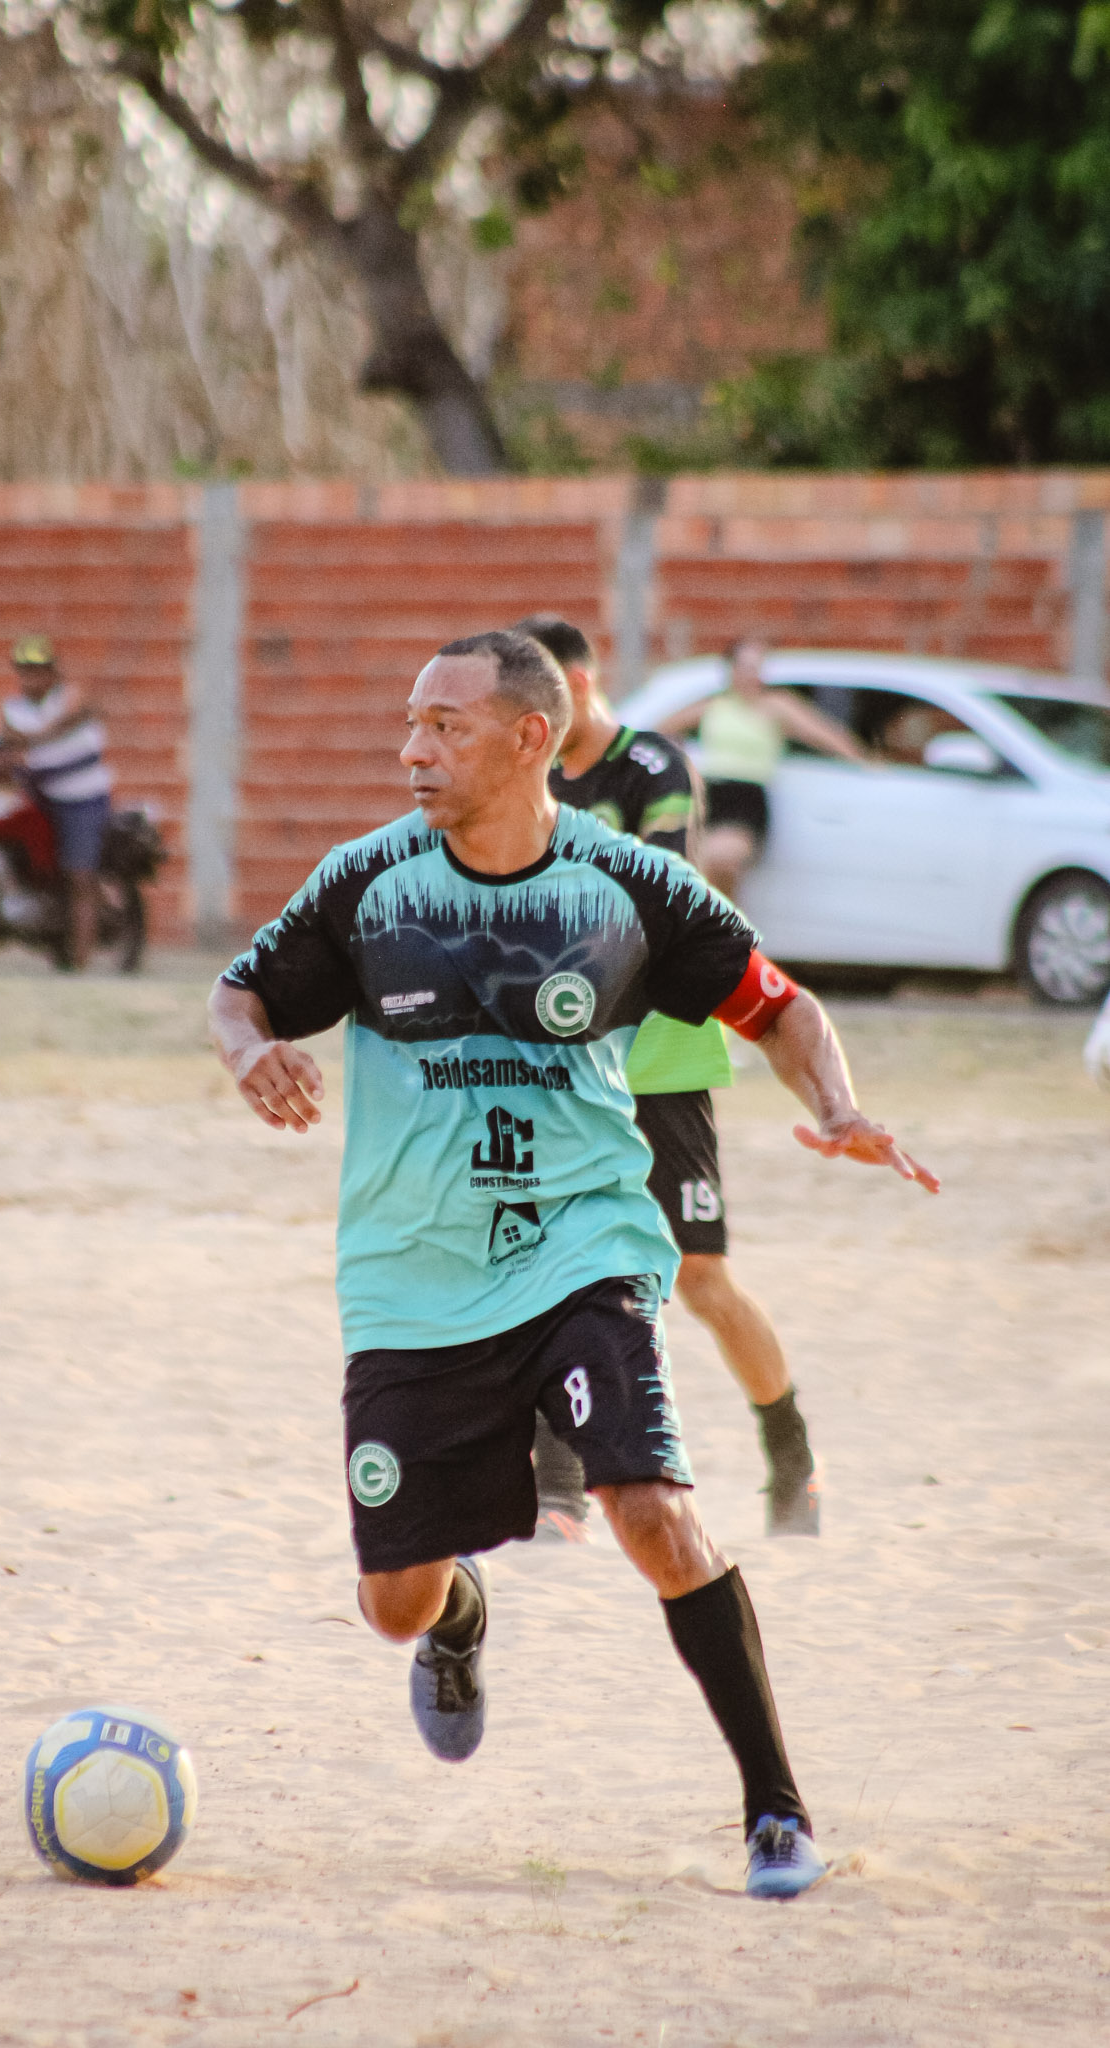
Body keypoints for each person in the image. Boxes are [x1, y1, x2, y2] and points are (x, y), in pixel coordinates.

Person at [209, 628, 938, 1898]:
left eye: (445, 726)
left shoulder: (626, 884)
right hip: (411, 1274)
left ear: (529, 737)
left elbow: (780, 1005)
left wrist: (837, 1102)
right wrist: (248, 1051)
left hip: (581, 1244)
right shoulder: (367, 883)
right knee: (392, 1602)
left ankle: (776, 1812)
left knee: (652, 1511)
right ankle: (458, 1614)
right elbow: (238, 992)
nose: (413, 749)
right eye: (411, 723)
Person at [517, 614, 819, 1539]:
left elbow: (655, 890)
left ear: (576, 683)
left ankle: (790, 1455)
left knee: (700, 1279)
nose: (525, 722)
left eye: (536, 700)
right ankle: (558, 1487)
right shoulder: (526, 778)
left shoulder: (652, 766)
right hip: (564, 1058)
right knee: (551, 1264)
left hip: (661, 1054)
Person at [663, 639, 866, 900]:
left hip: (746, 796)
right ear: (730, 669)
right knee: (702, 870)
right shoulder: (714, 706)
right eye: (744, 667)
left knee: (721, 859)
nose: (751, 675)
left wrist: (864, 760)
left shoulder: (776, 705)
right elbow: (662, 727)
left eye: (756, 668)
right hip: (711, 794)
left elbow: (824, 734)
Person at [0, 636, 113, 970]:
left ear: (52, 672)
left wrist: (33, 740)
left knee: (79, 876)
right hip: (40, 799)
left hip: (82, 798)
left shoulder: (69, 698)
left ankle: (81, 961)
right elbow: (4, 742)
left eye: (38, 670)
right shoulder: (13, 709)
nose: (31, 678)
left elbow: (70, 718)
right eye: (25, 671)